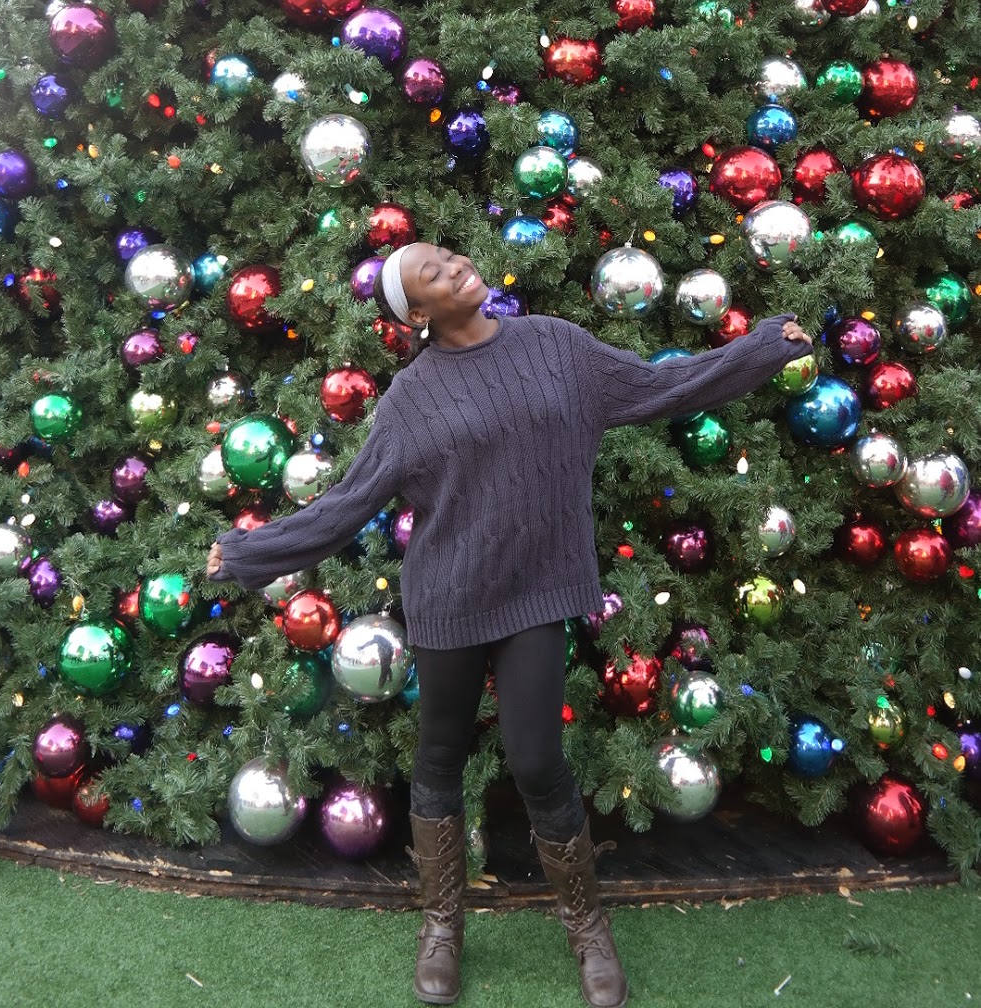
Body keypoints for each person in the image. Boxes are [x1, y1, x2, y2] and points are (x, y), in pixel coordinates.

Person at [206, 242, 812, 1008]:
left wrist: (763, 347)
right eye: (431, 273)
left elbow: (664, 385)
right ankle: (441, 925)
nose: (452, 265)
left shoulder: (555, 345)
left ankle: (586, 926)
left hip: (535, 593)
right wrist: (248, 552)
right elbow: (345, 506)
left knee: (536, 760)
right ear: (416, 314)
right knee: (438, 758)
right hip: (449, 600)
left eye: (445, 255)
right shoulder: (408, 400)